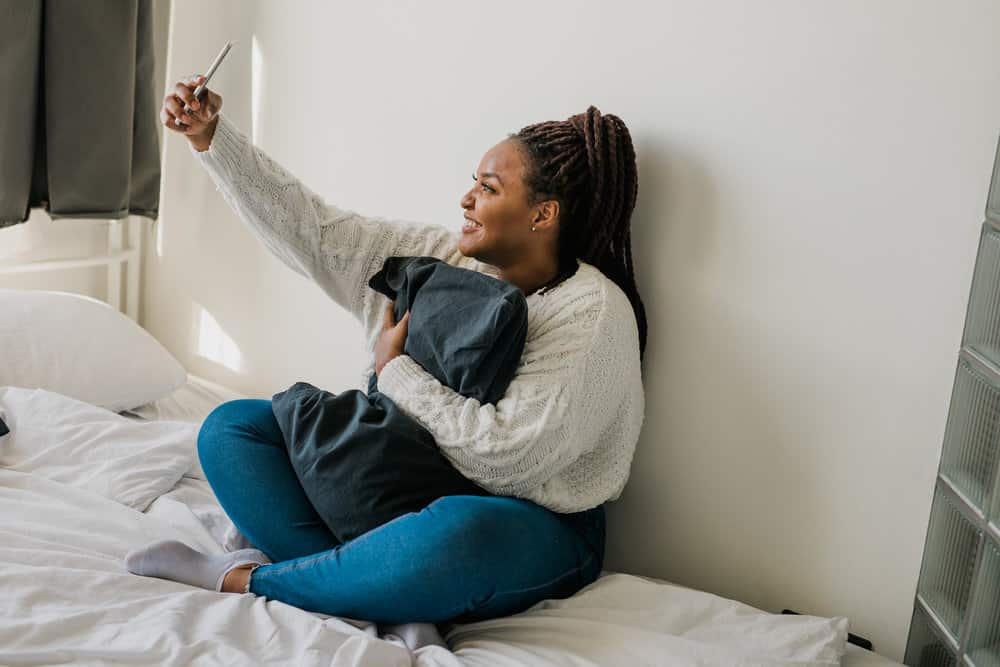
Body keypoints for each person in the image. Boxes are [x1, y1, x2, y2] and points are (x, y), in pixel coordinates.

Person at [124, 75, 647, 629]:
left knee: (457, 533)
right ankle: (367, 582)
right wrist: (211, 140)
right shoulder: (437, 258)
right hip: (398, 479)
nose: (466, 198)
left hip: (527, 520)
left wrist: (395, 372)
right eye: (473, 182)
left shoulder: (593, 311)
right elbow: (316, 232)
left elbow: (508, 460)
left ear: (543, 215)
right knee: (233, 429)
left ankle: (253, 579)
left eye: (489, 189)